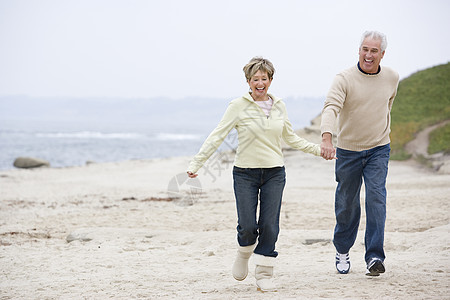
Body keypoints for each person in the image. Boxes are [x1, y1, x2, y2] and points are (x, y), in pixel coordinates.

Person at [187, 57, 332, 292]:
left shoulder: (279, 106)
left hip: (275, 173)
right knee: (247, 225)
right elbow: (217, 135)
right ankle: (244, 252)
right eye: (256, 79)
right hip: (244, 174)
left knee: (270, 226)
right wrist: (197, 163)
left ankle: (264, 272)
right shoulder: (237, 106)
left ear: (271, 80)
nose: (260, 82)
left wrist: (319, 150)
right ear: (248, 81)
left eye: (264, 78)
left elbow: (291, 137)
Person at [320, 30, 400, 276]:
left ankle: (374, 256)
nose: (368, 54)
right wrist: (327, 137)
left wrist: (380, 134)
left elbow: (387, 106)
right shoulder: (343, 78)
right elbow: (331, 107)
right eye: (365, 49)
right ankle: (343, 249)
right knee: (347, 204)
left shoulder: (392, 77)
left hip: (378, 148)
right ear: (359, 50)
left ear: (382, 54)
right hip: (348, 151)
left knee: (376, 199)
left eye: (374, 51)